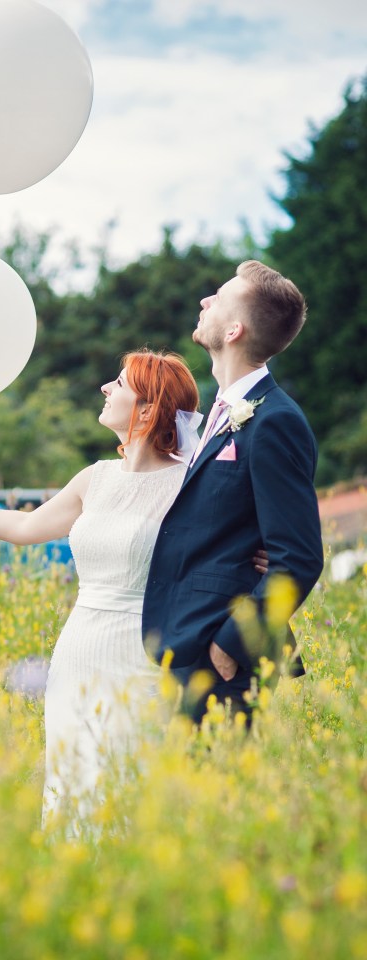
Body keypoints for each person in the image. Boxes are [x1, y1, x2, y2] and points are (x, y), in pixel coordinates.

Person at [0, 350, 267, 824]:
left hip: (144, 658)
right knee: (73, 787)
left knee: (130, 789)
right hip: (78, 653)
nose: (104, 388)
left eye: (118, 383)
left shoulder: (191, 483)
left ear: (147, 408)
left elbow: (238, 547)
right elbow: (25, 527)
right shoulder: (94, 478)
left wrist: (256, 561)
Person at [143, 261, 324, 722]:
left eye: (218, 297)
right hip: (182, 638)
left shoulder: (275, 419)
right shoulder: (222, 410)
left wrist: (231, 645)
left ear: (235, 330)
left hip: (219, 655)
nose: (205, 301)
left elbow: (299, 556)